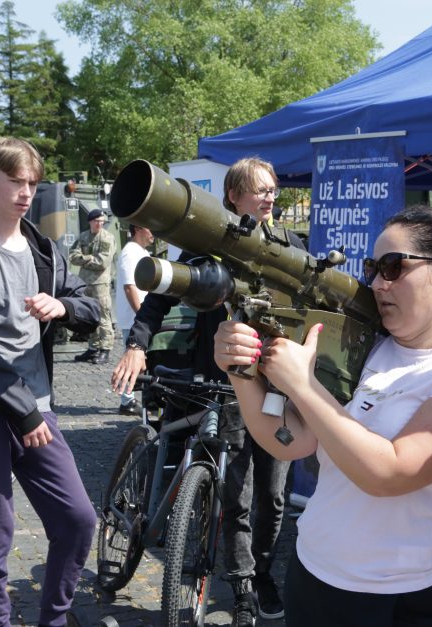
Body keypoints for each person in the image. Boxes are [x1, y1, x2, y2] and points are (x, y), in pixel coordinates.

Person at [214, 203, 432, 626]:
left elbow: (389, 472)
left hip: (401, 599)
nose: (376, 283)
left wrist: (303, 386)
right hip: (314, 575)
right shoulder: (368, 346)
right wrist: (242, 374)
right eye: (373, 267)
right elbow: (293, 442)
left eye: (394, 267)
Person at [112, 156, 303, 626]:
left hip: (278, 388)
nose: (269, 196)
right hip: (225, 385)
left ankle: (261, 572)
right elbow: (160, 294)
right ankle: (241, 585)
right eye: (259, 189)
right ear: (233, 197)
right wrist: (136, 345)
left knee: (273, 496)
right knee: (236, 493)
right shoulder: (211, 250)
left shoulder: (291, 245)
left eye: (273, 188)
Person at [0, 136, 101, 627]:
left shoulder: (45, 250)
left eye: (32, 182)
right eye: (16, 181)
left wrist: (64, 306)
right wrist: (21, 410)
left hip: (37, 407)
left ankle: (53, 619)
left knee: (77, 520)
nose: (27, 192)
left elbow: (90, 309)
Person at [114, 223, 153, 416]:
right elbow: (130, 287)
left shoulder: (140, 252)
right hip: (134, 319)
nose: (153, 233)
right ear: (138, 229)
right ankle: (127, 401)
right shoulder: (131, 252)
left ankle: (133, 398)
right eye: (149, 228)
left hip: (138, 318)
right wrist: (142, 317)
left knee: (142, 361)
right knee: (132, 359)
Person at [70, 208, 116, 365]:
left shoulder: (107, 238)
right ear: (90, 221)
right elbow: (72, 257)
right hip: (85, 283)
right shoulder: (83, 237)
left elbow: (102, 262)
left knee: (103, 316)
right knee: (90, 316)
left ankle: (105, 349)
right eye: (97, 221)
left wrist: (84, 259)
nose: (100, 224)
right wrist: (89, 258)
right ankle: (93, 348)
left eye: (102, 221)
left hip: (100, 283)